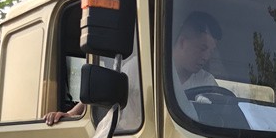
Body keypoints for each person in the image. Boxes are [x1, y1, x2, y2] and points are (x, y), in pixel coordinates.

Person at [44, 11, 222, 126]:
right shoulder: (141, 68)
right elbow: (102, 89)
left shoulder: (207, 81)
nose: (207, 57)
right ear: (183, 42)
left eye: (211, 51)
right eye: (202, 48)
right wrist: (70, 114)